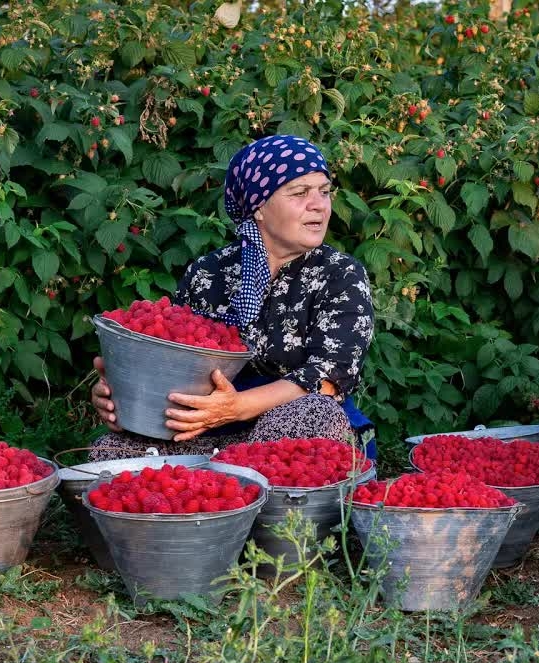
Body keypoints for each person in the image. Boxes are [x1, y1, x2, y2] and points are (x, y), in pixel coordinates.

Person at [90, 135, 375, 460]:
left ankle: (241, 476)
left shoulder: (340, 275)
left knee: (314, 414)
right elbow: (170, 364)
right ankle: (219, 476)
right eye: (300, 192)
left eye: (323, 191)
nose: (319, 204)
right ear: (259, 208)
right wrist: (123, 393)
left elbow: (329, 377)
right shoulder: (210, 272)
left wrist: (237, 407)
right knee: (109, 452)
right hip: (211, 431)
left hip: (290, 432)